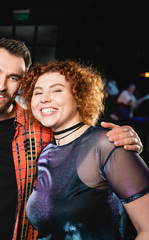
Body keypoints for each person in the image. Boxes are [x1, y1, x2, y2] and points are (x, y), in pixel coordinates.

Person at [0, 38, 144, 240]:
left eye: (13, 77)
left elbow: (82, 139)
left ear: (21, 85)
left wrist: (124, 141)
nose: (1, 85)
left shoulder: (44, 131)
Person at [22, 60, 149, 239]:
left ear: (79, 96)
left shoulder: (106, 143)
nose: (44, 98)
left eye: (57, 90)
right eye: (38, 92)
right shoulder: (45, 153)